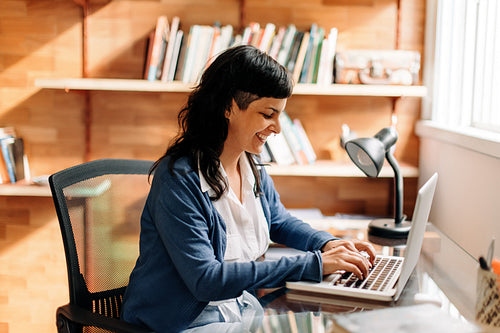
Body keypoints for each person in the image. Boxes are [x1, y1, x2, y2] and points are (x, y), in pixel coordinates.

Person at [121, 45, 376, 332]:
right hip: (183, 322)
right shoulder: (179, 180)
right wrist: (315, 265)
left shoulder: (249, 163)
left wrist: (327, 244)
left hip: (239, 308)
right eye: (268, 114)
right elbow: (207, 280)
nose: (278, 128)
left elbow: (278, 220)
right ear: (228, 107)